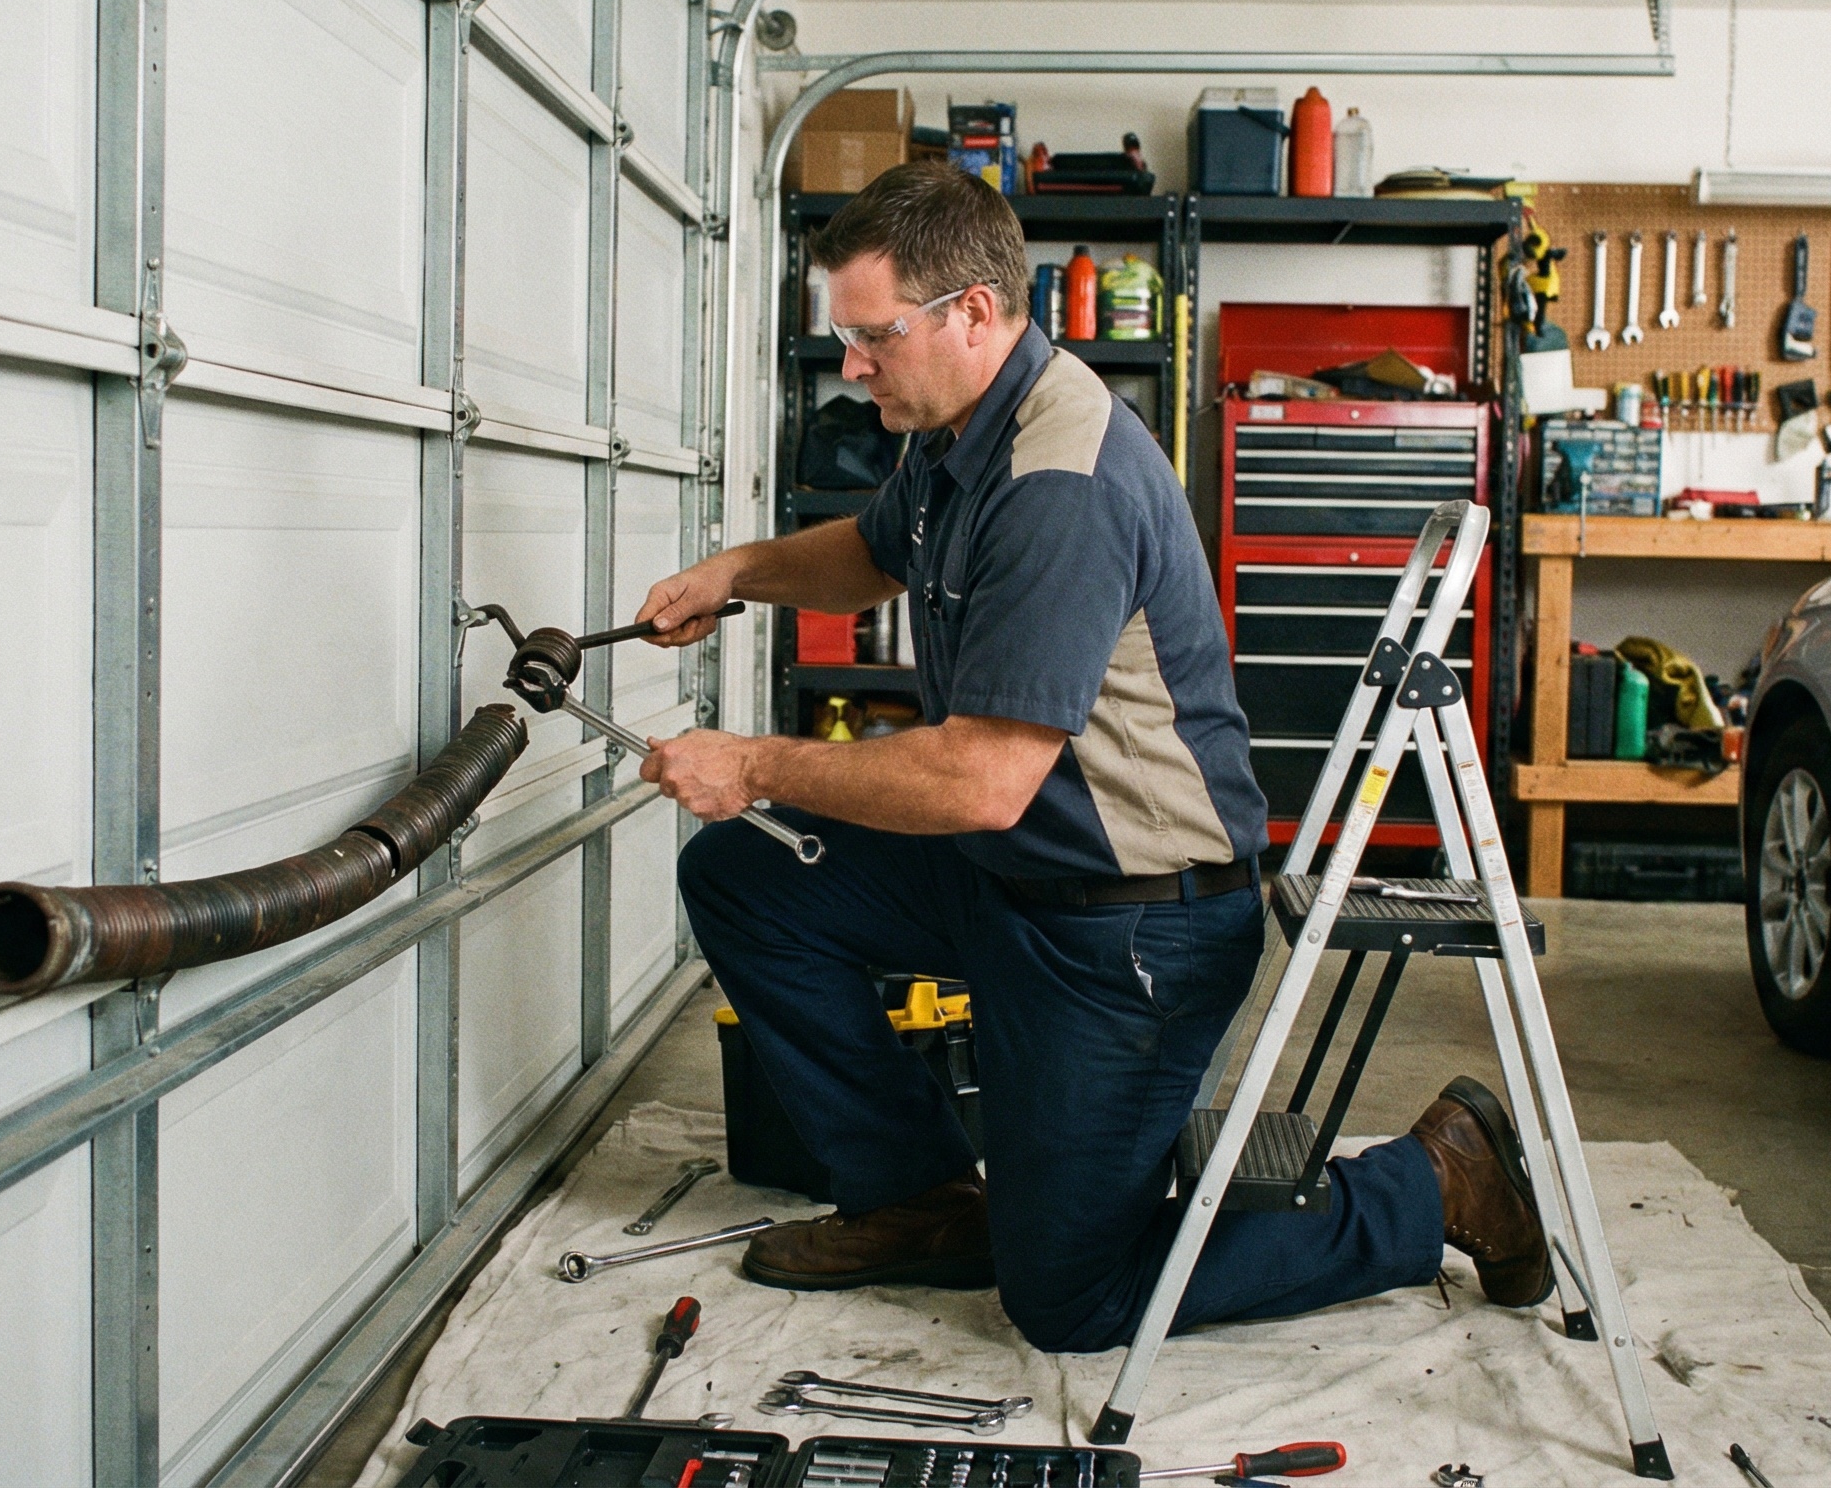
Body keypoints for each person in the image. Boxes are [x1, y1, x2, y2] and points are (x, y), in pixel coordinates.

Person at [629, 161, 1547, 1352]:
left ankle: (1431, 1183)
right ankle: (921, 1197)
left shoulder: (1057, 479)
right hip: (1007, 873)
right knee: (746, 878)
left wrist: (752, 765)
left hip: (1125, 932)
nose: (853, 367)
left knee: (1072, 1296)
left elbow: (977, 778)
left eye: (872, 338)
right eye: (844, 339)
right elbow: (871, 550)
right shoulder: (960, 423)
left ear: (970, 312)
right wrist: (736, 571)